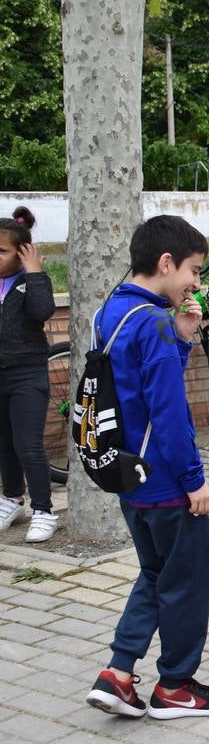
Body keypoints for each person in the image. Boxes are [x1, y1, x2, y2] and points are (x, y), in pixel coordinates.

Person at [85, 215, 209, 720]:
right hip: (168, 482)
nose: (196, 282)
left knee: (155, 573)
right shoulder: (151, 324)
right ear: (166, 263)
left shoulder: (111, 311)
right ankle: (176, 687)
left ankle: (119, 672)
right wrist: (195, 481)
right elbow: (169, 413)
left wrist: (184, 338)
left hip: (128, 476)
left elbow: (135, 393)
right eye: (193, 270)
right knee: (188, 581)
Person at [0, 206, 58, 542]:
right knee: (5, 444)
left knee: (27, 444)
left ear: (22, 253)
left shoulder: (30, 283)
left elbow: (42, 311)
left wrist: (34, 273)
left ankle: (43, 509)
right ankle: (11, 499)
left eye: (2, 251)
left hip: (27, 375)